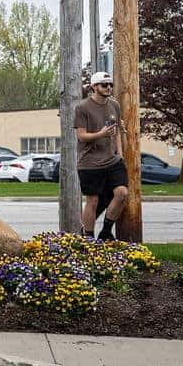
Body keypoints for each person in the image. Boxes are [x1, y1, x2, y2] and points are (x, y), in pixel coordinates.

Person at [75, 71, 129, 241]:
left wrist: (120, 154)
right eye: (104, 85)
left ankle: (106, 232)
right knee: (92, 201)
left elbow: (117, 132)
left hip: (112, 161)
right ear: (94, 87)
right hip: (89, 162)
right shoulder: (82, 107)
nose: (108, 87)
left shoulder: (114, 105)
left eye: (110, 84)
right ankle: (88, 238)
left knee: (121, 193)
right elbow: (81, 136)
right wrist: (101, 133)